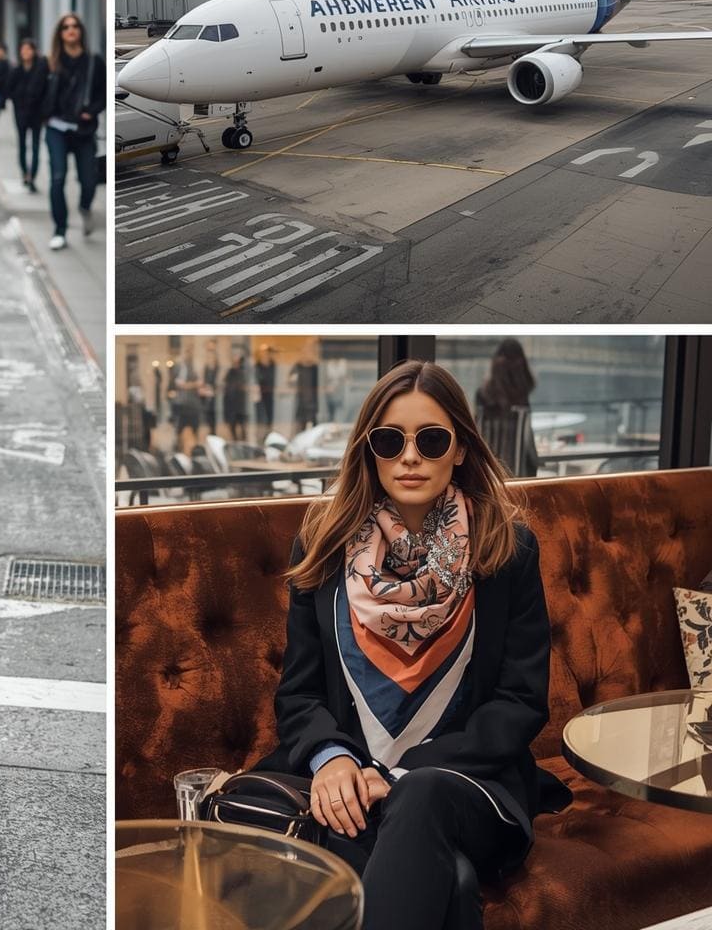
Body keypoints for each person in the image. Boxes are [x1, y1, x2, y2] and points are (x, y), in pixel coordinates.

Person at [255, 360, 572, 930]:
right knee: (452, 881)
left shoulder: (508, 548)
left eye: (431, 440)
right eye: (389, 440)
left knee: (421, 792)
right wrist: (333, 761)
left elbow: (520, 702)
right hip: (350, 784)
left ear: (460, 450)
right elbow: (299, 694)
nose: (409, 457)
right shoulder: (324, 545)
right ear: (367, 450)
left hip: (468, 782)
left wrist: (398, 774)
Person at [42, 11, 105, 250]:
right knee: (57, 178)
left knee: (88, 181)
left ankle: (85, 207)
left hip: (83, 129)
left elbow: (102, 94)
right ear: (60, 33)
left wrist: (93, 110)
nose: (71, 30)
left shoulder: (93, 62)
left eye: (75, 26)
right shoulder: (49, 62)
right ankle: (60, 230)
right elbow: (37, 92)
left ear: (81, 32)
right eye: (66, 26)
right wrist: (42, 117)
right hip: (56, 127)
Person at [474, 339, 540, 478]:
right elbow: (527, 440)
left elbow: (477, 435)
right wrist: (535, 462)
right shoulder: (522, 398)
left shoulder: (483, 395)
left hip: (489, 474)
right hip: (518, 476)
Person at [5, 37, 48, 192]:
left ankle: (33, 176)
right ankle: (25, 172)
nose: (25, 52)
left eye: (28, 49)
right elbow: (8, 90)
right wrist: (18, 97)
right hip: (21, 113)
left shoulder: (41, 68)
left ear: (34, 51)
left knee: (36, 146)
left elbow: (45, 89)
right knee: (22, 144)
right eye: (23, 49)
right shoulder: (16, 70)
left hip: (36, 114)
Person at [223, 351, 249, 441]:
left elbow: (243, 385)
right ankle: (235, 440)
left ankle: (243, 441)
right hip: (231, 402)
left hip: (240, 403)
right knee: (232, 424)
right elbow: (226, 384)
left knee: (242, 425)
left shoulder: (243, 371)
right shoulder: (230, 371)